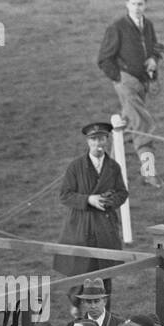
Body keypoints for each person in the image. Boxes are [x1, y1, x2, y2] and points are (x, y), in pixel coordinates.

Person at [97, 0, 164, 187]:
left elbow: (154, 47)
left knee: (126, 129)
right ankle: (149, 174)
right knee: (143, 125)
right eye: (133, 4)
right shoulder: (117, 27)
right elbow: (103, 59)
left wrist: (153, 59)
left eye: (140, 4)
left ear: (146, 5)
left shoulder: (148, 25)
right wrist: (119, 79)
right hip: (127, 83)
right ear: (127, 4)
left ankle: (103, 174)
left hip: (142, 83)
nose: (137, 7)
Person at [53, 123, 128, 306]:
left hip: (105, 226)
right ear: (88, 142)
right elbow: (65, 195)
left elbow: (122, 192)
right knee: (80, 271)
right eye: (94, 139)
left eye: (102, 139)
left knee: (105, 270)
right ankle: (76, 312)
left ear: (107, 140)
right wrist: (89, 200)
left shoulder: (113, 167)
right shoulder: (76, 166)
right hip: (81, 225)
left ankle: (104, 315)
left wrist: (109, 201)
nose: (98, 143)